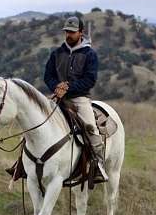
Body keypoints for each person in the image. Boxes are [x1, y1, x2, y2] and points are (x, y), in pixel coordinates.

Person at [44, 16, 108, 181]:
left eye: (72, 32)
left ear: (81, 32)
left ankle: (98, 166)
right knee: (38, 120)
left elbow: (90, 80)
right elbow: (48, 76)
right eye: (67, 32)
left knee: (91, 129)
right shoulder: (57, 53)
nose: (68, 35)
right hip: (58, 97)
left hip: (79, 99)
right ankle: (22, 164)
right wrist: (56, 87)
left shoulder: (90, 54)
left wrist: (69, 88)